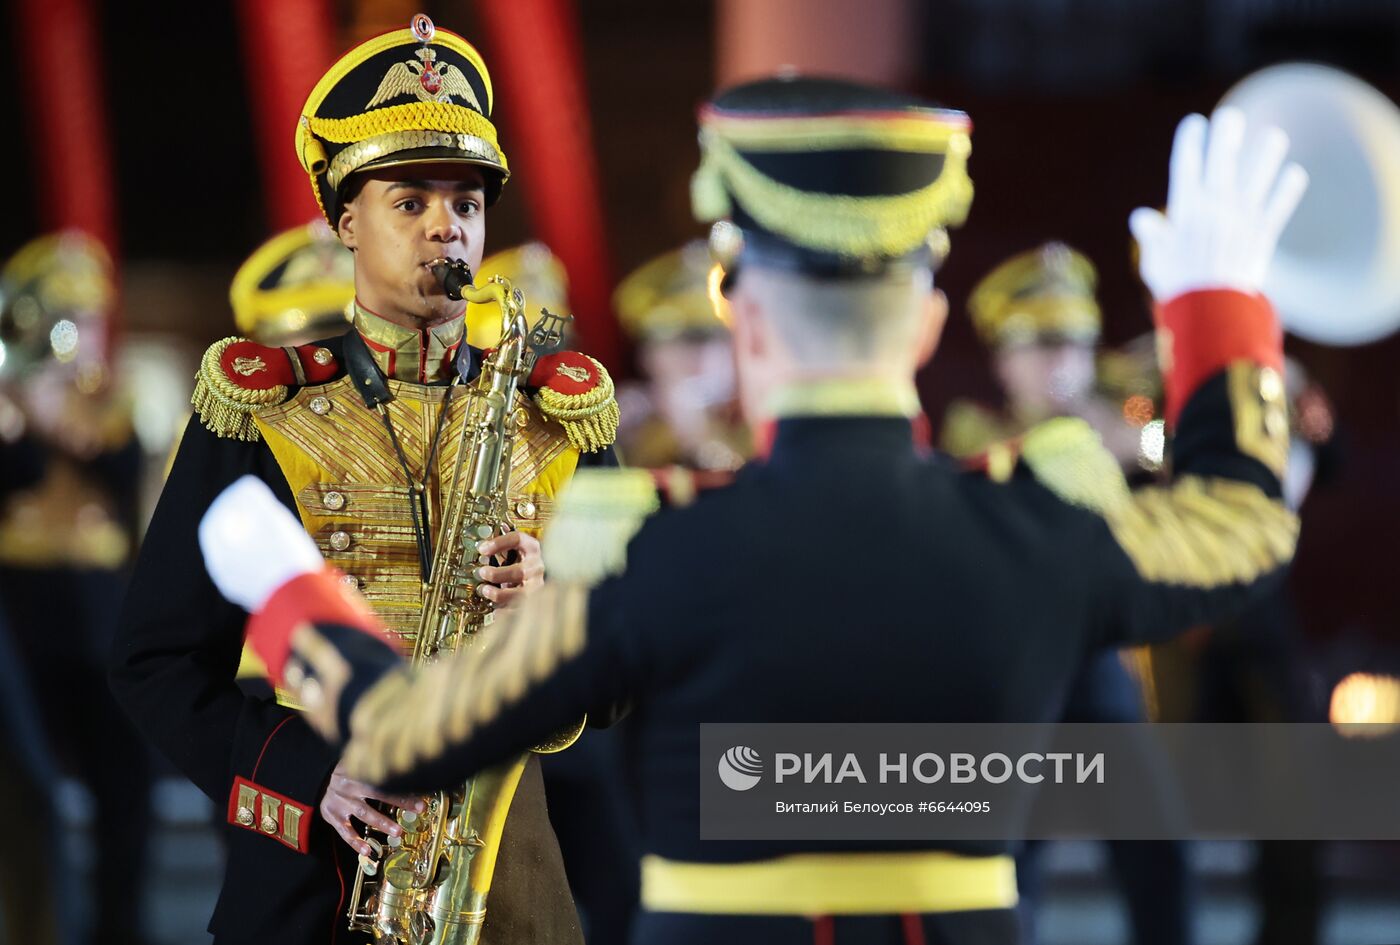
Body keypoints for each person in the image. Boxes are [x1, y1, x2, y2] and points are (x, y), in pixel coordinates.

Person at [224, 81, 1307, 945]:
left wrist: (286, 595)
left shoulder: (649, 546)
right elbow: (1238, 526)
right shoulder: (1036, 526)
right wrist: (1216, 311)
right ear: (928, 324)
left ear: (740, 319)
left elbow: (403, 734)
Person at [111, 14, 617, 945]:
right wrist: (307, 775)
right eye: (411, 202)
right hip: (310, 885)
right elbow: (151, 661)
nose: (446, 230)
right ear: (345, 221)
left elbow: (640, 649)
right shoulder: (261, 412)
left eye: (465, 204)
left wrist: (557, 606)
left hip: (510, 886)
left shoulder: (562, 415)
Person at [945, 243, 1193, 945]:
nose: (1062, 362)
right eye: (1041, 344)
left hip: (1101, 667)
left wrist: (1137, 442)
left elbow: (1187, 484)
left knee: (1157, 849)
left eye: (1077, 342)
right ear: (1003, 359)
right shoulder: (977, 434)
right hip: (1016, 675)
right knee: (1006, 860)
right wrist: (1095, 442)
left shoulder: (1123, 430)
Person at [0, 231, 152, 945]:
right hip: (23, 605)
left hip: (100, 609)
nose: (79, 334)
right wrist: (23, 413)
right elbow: (17, 480)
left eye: (87, 317)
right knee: (26, 783)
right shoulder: (7, 396)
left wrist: (62, 419)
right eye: (64, 318)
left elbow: (127, 483)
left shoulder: (116, 396)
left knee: (127, 784)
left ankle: (118, 929)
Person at [613, 241, 749, 471]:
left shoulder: (752, 419)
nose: (706, 359)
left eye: (719, 340)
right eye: (689, 342)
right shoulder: (626, 428)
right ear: (649, 356)